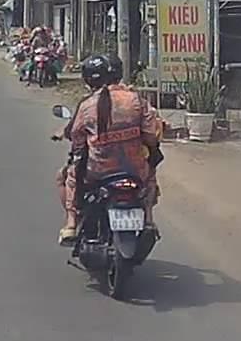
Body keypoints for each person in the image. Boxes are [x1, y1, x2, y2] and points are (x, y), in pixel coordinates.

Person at [54, 54, 163, 245]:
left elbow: (77, 138)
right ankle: (148, 220)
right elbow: (150, 135)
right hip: (134, 169)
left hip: (99, 171)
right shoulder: (135, 99)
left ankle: (71, 224)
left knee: (68, 176)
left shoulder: (87, 104)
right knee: (150, 177)